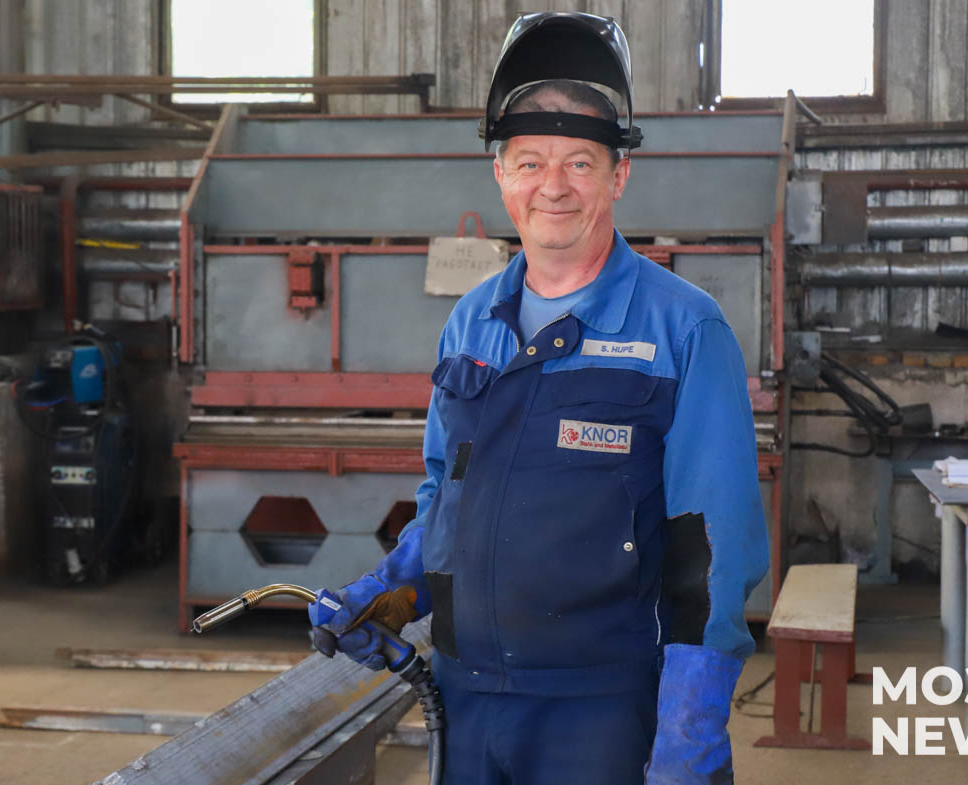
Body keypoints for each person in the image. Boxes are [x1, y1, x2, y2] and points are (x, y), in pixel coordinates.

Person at [312, 13, 768, 784]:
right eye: (529, 162)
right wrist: (391, 591)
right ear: (500, 174)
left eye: (579, 163)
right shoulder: (471, 323)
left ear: (619, 175)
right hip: (466, 702)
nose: (552, 187)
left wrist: (689, 731)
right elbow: (447, 500)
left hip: (600, 712)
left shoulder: (683, 330)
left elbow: (712, 555)